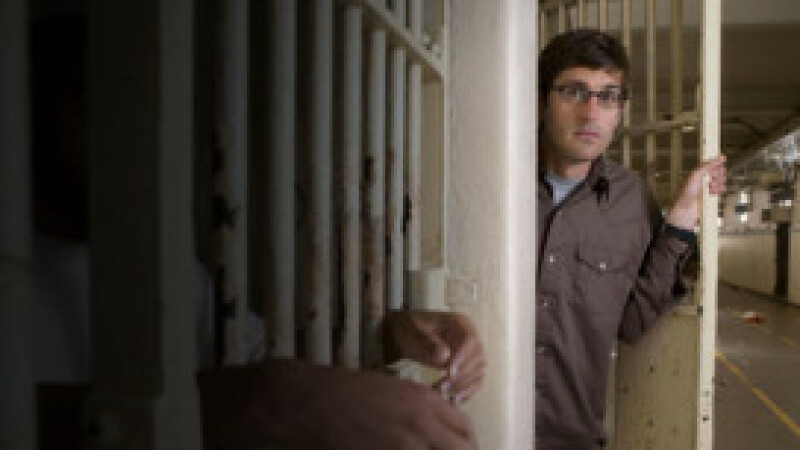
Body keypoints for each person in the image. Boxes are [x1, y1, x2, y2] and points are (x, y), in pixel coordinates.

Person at [31, 13, 484, 450]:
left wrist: (390, 338)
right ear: (28, 114)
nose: (129, 136)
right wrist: (267, 400)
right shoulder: (17, 276)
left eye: (137, 109)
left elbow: (266, 360)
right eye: (93, 106)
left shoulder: (161, 268)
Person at [535, 29, 726, 450]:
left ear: (620, 110)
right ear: (541, 100)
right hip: (470, 431)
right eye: (574, 92)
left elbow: (632, 321)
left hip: (571, 439)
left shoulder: (631, 200)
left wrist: (682, 218)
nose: (591, 112)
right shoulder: (496, 178)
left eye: (608, 97)